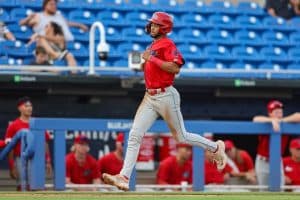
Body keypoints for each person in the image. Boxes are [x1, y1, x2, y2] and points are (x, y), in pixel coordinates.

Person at [102, 11, 227, 191]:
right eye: (151, 24)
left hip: (166, 95)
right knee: (135, 135)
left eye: (155, 24)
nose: (151, 26)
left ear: (164, 27)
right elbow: (154, 66)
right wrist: (145, 64)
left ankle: (215, 147)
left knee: (181, 136)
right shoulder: (153, 45)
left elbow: (175, 68)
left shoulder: (167, 43)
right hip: (150, 96)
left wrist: (151, 58)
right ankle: (124, 177)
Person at [4, 96, 52, 190]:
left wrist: (48, 160)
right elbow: (9, 147)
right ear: (19, 108)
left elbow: (44, 143)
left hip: (37, 159)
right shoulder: (13, 126)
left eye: (30, 106)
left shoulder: (38, 123)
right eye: (26, 106)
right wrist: (11, 166)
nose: (29, 108)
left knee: (38, 187)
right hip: (20, 159)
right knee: (22, 187)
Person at [253, 100, 289, 187]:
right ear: (270, 113)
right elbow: (255, 119)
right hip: (262, 160)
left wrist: (281, 121)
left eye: (280, 112)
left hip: (277, 160)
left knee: (279, 188)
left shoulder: (285, 123)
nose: (279, 114)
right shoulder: (266, 123)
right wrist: (272, 121)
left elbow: (298, 116)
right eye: (276, 112)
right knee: (263, 190)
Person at [19, 0, 88, 41]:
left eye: (55, 4)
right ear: (45, 5)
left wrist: (80, 25)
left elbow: (67, 23)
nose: (54, 6)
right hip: (49, 42)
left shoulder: (59, 16)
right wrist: (28, 18)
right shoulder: (38, 16)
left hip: (66, 42)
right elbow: (21, 23)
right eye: (51, 4)